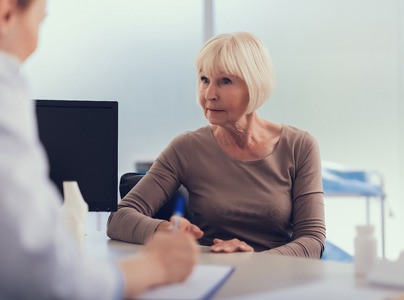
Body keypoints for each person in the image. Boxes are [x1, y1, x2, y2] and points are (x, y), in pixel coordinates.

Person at [0, 0, 198, 299]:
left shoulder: (294, 147)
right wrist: (155, 264)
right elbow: (42, 272)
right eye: (39, 22)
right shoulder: (5, 89)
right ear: (6, 13)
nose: (210, 94)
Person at [107, 31, 326, 258]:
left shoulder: (300, 146)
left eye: (225, 81)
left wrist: (256, 261)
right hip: (209, 273)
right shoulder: (187, 147)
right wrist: (165, 230)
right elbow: (119, 218)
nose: (209, 94)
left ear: (255, 85)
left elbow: (312, 239)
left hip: (278, 278)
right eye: (204, 80)